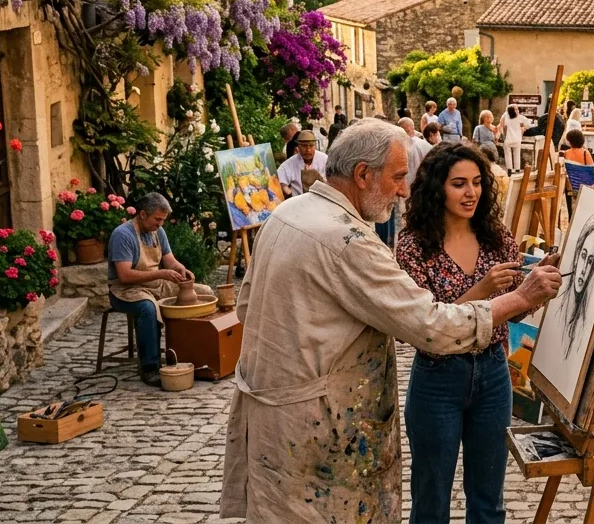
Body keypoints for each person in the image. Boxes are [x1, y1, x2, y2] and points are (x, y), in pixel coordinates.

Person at [221, 120, 563, 522]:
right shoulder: (348, 241)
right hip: (318, 425)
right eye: (398, 177)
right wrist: (518, 297)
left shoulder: (287, 211)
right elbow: (430, 325)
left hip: (285, 416)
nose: (402, 189)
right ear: (363, 175)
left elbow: (245, 307)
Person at [396, 143, 528, 523]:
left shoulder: (496, 238)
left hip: (493, 374)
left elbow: (516, 305)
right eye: (458, 184)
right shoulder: (414, 247)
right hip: (438, 379)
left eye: (476, 182)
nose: (471, 193)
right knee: (431, 499)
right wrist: (483, 289)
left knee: (489, 500)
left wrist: (536, 284)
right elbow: (427, 325)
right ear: (437, 187)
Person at [107, 193, 213, 385]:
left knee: (205, 293)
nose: (160, 224)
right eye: (157, 219)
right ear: (142, 214)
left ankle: (195, 354)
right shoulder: (122, 235)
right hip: (125, 290)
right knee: (148, 308)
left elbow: (169, 260)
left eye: (163, 220)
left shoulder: (158, 232)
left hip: (156, 284)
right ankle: (150, 367)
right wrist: (161, 274)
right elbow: (124, 276)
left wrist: (180, 268)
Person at [277, 130, 329, 197]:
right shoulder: (289, 164)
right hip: (299, 202)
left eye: (311, 146)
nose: (308, 150)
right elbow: (281, 182)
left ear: (315, 145)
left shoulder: (324, 159)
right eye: (304, 146)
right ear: (298, 146)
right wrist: (287, 191)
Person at [497, 105, 531, 173]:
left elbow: (502, 123)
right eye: (516, 109)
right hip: (517, 139)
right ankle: (517, 169)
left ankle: (509, 169)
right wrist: (523, 128)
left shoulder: (506, 117)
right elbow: (528, 125)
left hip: (508, 139)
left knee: (507, 155)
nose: (517, 110)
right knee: (517, 154)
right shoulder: (520, 117)